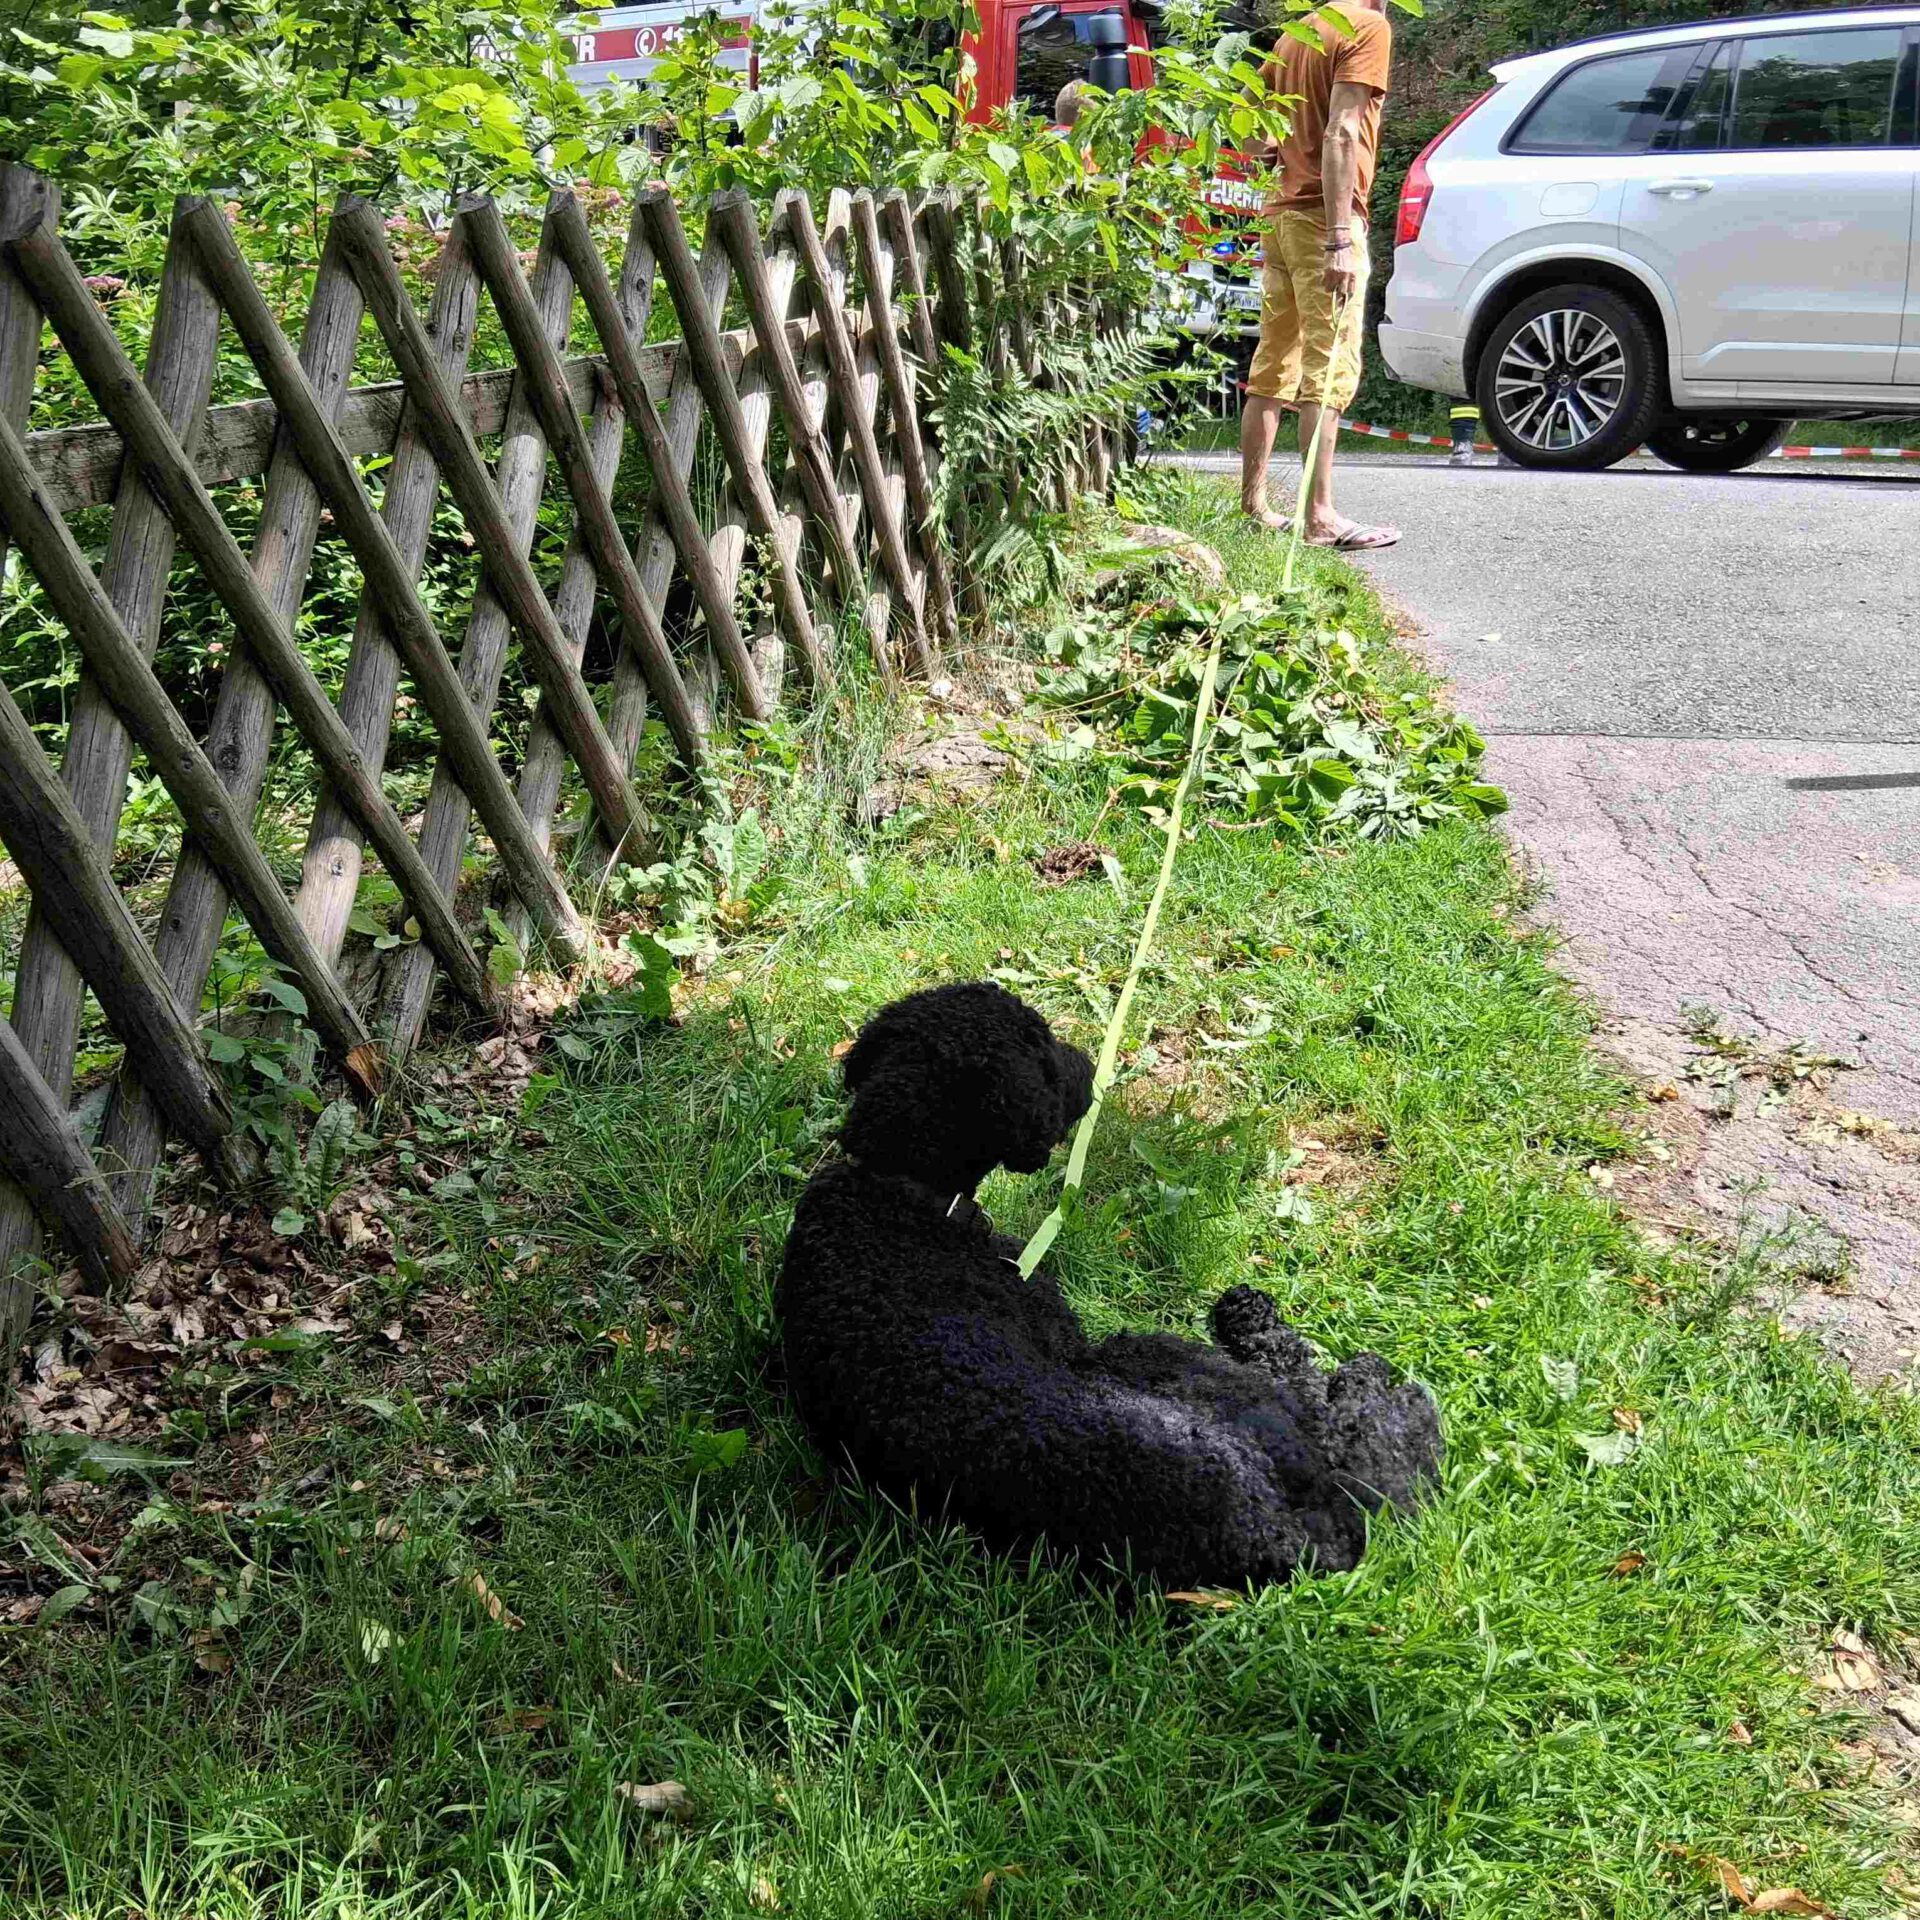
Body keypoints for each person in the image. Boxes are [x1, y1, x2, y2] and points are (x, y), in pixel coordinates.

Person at [1240, 0, 1400, 550]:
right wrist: (1338, 238)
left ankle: (1254, 506)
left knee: (1272, 363)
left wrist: (1278, 151)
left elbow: (1249, 134)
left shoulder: (1295, 34)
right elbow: (1341, 132)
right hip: (1323, 219)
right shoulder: (1367, 26)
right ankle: (1320, 517)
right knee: (1329, 364)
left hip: (1280, 214)